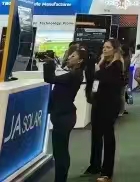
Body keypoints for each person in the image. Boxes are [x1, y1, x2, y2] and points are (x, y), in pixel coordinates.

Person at [44, 47, 92, 182]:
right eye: (70, 55)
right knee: (61, 150)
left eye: (73, 56)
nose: (69, 57)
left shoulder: (74, 75)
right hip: (64, 115)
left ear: (80, 61)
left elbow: (49, 78)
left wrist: (49, 63)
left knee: (60, 152)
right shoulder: (75, 74)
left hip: (64, 116)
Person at [86, 39, 126, 182]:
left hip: (110, 105)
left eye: (108, 47)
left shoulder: (117, 65)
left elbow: (104, 79)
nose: (104, 49)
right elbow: (94, 78)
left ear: (114, 49)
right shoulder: (103, 63)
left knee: (108, 137)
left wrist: (98, 71)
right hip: (98, 103)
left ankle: (107, 172)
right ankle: (94, 165)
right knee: (96, 135)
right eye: (104, 47)